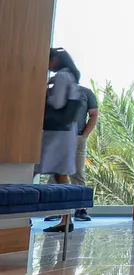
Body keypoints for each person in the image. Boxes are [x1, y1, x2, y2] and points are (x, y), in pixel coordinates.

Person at [39, 48, 82, 234]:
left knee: (37, 168)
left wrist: (46, 90)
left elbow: (57, 103)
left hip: (56, 133)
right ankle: (66, 219)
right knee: (60, 174)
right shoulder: (71, 76)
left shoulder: (62, 77)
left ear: (55, 59)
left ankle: (21, 219)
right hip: (65, 132)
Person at [45, 82, 98, 224]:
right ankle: (55, 210)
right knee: (55, 173)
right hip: (56, 137)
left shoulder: (86, 93)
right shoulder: (51, 92)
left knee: (77, 171)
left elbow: (94, 114)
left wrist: (84, 135)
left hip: (78, 137)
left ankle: (80, 209)